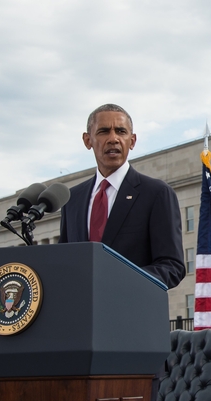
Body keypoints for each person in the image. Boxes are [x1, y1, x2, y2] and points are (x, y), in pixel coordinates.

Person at [59, 104, 186, 289]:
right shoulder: (72, 199)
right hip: (81, 313)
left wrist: (118, 281)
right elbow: (65, 261)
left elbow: (172, 266)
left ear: (132, 141)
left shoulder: (156, 193)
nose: (113, 139)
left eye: (121, 131)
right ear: (88, 140)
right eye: (103, 131)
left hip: (130, 311)